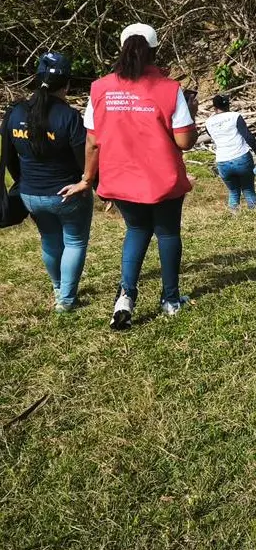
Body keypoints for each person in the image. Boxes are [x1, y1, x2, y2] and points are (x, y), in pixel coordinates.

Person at [61, 23, 199, 330]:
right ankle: (170, 299)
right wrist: (193, 111)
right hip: (163, 179)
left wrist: (87, 178)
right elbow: (184, 142)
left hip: (120, 179)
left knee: (136, 231)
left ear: (122, 48)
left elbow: (93, 141)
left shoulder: (99, 89)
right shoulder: (169, 89)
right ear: (154, 52)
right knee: (167, 234)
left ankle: (125, 296)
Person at [1, 52, 92, 312]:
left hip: (31, 194)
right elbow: (82, 158)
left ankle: (57, 287)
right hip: (67, 193)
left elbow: (8, 157)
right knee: (74, 242)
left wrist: (22, 182)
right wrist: (86, 182)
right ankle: (66, 299)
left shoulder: (15, 112)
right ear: (66, 85)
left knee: (50, 240)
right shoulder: (69, 116)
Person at [205, 94, 256, 211]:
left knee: (233, 192)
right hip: (241, 157)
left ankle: (234, 216)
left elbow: (212, 136)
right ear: (228, 104)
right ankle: (255, 216)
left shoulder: (208, 122)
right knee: (248, 189)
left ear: (214, 107)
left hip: (222, 161)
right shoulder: (235, 116)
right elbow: (248, 137)